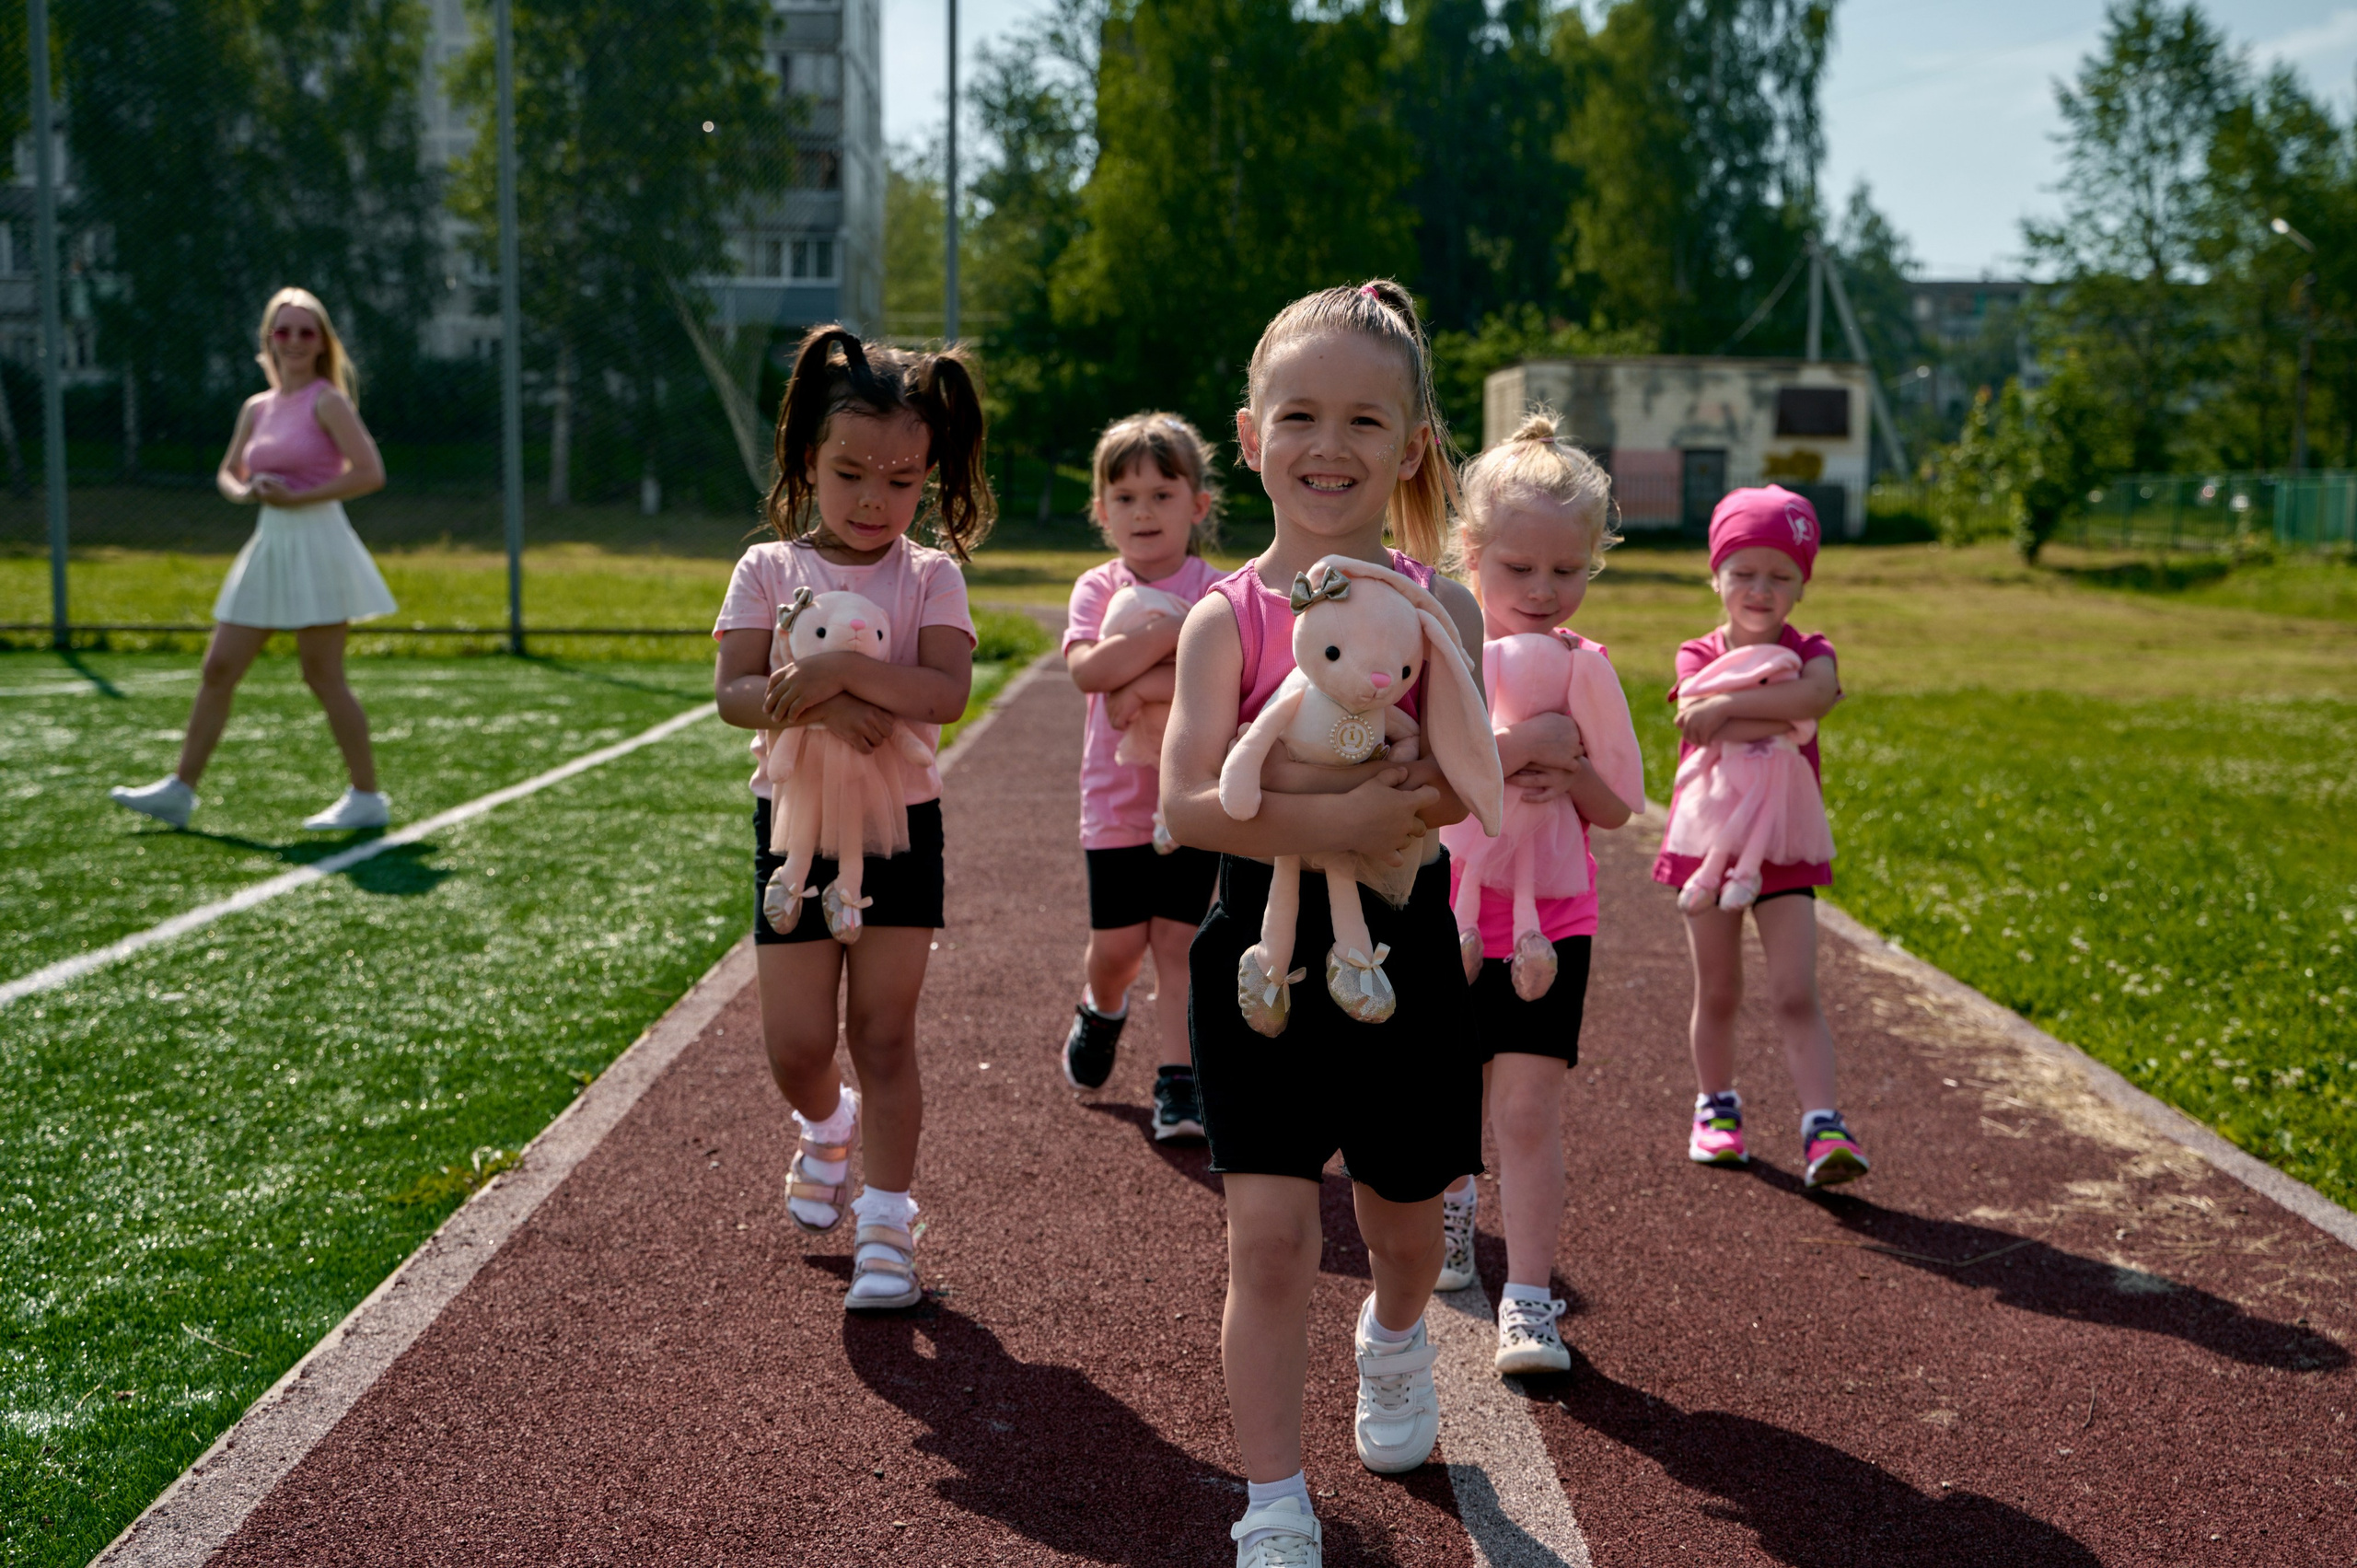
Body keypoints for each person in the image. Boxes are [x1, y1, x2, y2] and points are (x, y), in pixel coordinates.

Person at [1159, 280, 1496, 1568]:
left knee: (1407, 1224)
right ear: (1250, 436)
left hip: (1406, 948)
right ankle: (1275, 1499)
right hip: (1257, 956)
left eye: (1365, 419)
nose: (1329, 445)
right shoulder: (1219, 618)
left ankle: (1396, 1336)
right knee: (1272, 1230)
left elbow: (1460, 781)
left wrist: (1343, 802)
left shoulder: (1438, 611)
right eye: (1299, 414)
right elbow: (1190, 807)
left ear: (1410, 447)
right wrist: (1334, 819)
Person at [712, 325, 992, 1310]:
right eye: (849, 474)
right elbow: (735, 691)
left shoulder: (929, 577)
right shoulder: (767, 570)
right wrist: (825, 701)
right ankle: (827, 1126)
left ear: (930, 478)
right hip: (792, 828)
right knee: (794, 1042)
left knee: (883, 1032)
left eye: (903, 480)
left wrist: (834, 666)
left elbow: (944, 689)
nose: (875, 500)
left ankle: (886, 1219)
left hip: (901, 828)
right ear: (805, 462)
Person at [1431, 412, 1644, 1376]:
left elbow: (1622, 804)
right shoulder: (1443, 654)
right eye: (1520, 569)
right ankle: (1449, 1207)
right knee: (1439, 1097)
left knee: (1523, 1109)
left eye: (1568, 570)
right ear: (1472, 555)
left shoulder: (1586, 666)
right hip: (1442, 905)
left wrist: (1572, 773)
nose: (1545, 592)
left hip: (1550, 922)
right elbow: (1423, 771)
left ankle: (1527, 1297)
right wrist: (1516, 749)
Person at [108, 287, 396, 831]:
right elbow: (228, 472)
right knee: (218, 667)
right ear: (268, 340)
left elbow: (369, 473)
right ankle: (180, 790)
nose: (292, 341)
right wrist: (246, 494)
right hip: (268, 542)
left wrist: (297, 496)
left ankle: (366, 798)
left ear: (321, 343)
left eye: (305, 332)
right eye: (282, 331)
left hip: (319, 543)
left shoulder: (327, 400)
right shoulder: (256, 407)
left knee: (322, 675)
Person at [1651, 485, 1868, 1189]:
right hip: (1708, 843)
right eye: (1743, 571)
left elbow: (1814, 696)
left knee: (1794, 989)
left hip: (1783, 842)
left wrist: (1729, 708)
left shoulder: (1812, 648)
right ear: (1715, 576)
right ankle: (1716, 1107)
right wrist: (1755, 715)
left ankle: (1822, 1123)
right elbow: (1693, 717)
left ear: (1803, 584)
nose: (1760, 589)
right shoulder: (1695, 651)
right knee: (1718, 989)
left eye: (1780, 575)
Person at [1058, 412, 1226, 1138]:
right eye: (1125, 497)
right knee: (1121, 947)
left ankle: (1178, 1084)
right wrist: (1165, 639)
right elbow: (1089, 669)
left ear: (1198, 504)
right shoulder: (1097, 590)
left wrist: (1147, 687)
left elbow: (1224, 681)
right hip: (1115, 802)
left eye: (1162, 494)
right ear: (1101, 512)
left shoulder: (1220, 591)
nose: (1144, 511)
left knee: (1178, 942)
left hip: (1191, 795)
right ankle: (1102, 1007)